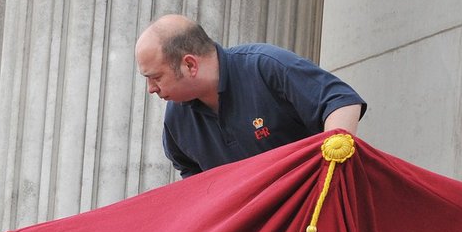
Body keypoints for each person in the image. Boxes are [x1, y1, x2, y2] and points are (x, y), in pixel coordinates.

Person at [134, 14, 366, 178]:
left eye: (155, 77)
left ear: (190, 65)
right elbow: (192, 177)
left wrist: (330, 172)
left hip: (312, 218)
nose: (151, 89)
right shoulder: (176, 119)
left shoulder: (266, 66)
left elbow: (342, 103)